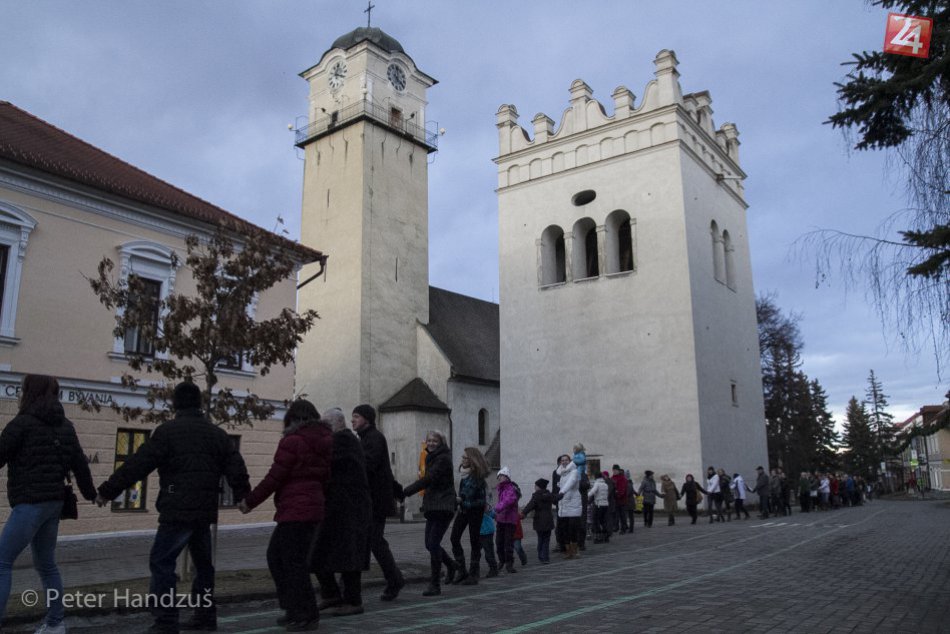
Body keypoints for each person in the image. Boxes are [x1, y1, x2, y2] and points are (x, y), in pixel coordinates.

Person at [96, 381, 250, 633]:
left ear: (175, 404)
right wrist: (243, 495)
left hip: (176, 508)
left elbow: (138, 464)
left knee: (161, 562)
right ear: (200, 404)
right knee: (203, 565)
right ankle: (205, 616)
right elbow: (236, 465)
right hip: (203, 510)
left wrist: (108, 491)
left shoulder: (167, 432)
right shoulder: (217, 434)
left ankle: (166, 621)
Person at [0, 374, 97, 634]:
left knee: (2, 563)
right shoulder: (65, 425)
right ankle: (56, 624)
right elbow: (80, 465)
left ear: (28, 392)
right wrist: (92, 495)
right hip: (54, 503)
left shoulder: (21, 424)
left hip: (29, 504)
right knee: (46, 564)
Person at [240, 399, 331, 632]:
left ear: (292, 419)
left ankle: (305, 614)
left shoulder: (292, 441)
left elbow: (275, 477)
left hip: (296, 509)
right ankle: (295, 609)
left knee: (290, 562)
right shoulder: (325, 440)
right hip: (312, 507)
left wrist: (250, 501)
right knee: (281, 558)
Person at [309, 408, 372, 618]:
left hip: (348, 509)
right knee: (320, 551)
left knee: (348, 556)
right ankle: (331, 594)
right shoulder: (342, 440)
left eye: (325, 425)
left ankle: (353, 600)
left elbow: (326, 464)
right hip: (338, 508)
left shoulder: (343, 441)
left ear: (336, 424)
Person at [351, 404, 405, 601]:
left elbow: (368, 466)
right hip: (370, 500)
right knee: (367, 542)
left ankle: (394, 579)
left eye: (356, 416)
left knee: (374, 542)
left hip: (374, 501)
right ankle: (351, 586)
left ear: (367, 418)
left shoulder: (373, 438)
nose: (353, 420)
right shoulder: (366, 438)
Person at [401, 430, 457, 596]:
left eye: (435, 441)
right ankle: (451, 565)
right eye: (429, 440)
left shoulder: (443, 458)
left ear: (441, 442)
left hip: (443, 505)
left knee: (432, 543)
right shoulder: (432, 457)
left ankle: (435, 584)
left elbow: (429, 479)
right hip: (434, 505)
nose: (431, 443)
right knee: (429, 543)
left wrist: (406, 491)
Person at [448, 447, 488, 585]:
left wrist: (454, 500)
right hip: (464, 509)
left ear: (472, 460)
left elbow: (466, 493)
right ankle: (462, 570)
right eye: (463, 457)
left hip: (475, 510)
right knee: (454, 538)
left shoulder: (477, 476)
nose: (463, 460)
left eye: (465, 457)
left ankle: (474, 573)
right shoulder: (464, 474)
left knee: (474, 540)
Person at [520, 478, 555, 564]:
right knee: (546, 540)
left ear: (539, 487)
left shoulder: (536, 496)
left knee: (541, 539)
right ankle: (546, 557)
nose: (534, 487)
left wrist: (523, 513)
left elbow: (530, 505)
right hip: (548, 520)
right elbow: (556, 498)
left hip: (539, 520)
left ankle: (541, 555)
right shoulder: (549, 495)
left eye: (535, 486)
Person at [554, 454, 582, 558]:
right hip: (564, 503)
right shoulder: (561, 474)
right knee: (564, 528)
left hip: (573, 502)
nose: (564, 462)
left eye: (566, 460)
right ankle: (568, 550)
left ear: (570, 461)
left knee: (573, 528)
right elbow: (561, 485)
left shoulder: (574, 472)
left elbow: (571, 483)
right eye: (562, 460)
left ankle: (576, 550)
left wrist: (561, 493)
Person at [493, 467, 520, 573]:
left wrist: (497, 508)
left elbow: (508, 500)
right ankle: (501, 560)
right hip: (501, 519)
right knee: (499, 542)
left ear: (507, 477)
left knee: (508, 543)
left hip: (510, 520)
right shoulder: (501, 488)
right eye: (499, 476)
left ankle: (509, 563)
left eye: (502, 476)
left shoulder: (510, 488)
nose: (499, 478)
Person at [587, 472, 610, 542]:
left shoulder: (597, 484)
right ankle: (606, 536)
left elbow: (592, 492)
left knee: (596, 520)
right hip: (605, 504)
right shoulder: (605, 484)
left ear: (596, 478)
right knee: (603, 520)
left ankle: (598, 537)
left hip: (598, 504)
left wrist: (586, 495)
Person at [479, 504, 500, 578]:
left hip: (487, 532)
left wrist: (490, 510)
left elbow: (494, 515)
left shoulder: (487, 509)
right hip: (479, 532)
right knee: (476, 552)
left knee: (489, 552)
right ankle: (475, 569)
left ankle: (493, 569)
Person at [610, 465, 629, 534]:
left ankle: (623, 528)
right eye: (613, 470)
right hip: (614, 500)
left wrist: (618, 494)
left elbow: (622, 489)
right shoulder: (612, 478)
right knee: (615, 515)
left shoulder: (622, 478)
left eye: (616, 470)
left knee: (622, 515)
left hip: (622, 500)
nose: (614, 471)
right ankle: (616, 526)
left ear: (618, 470)